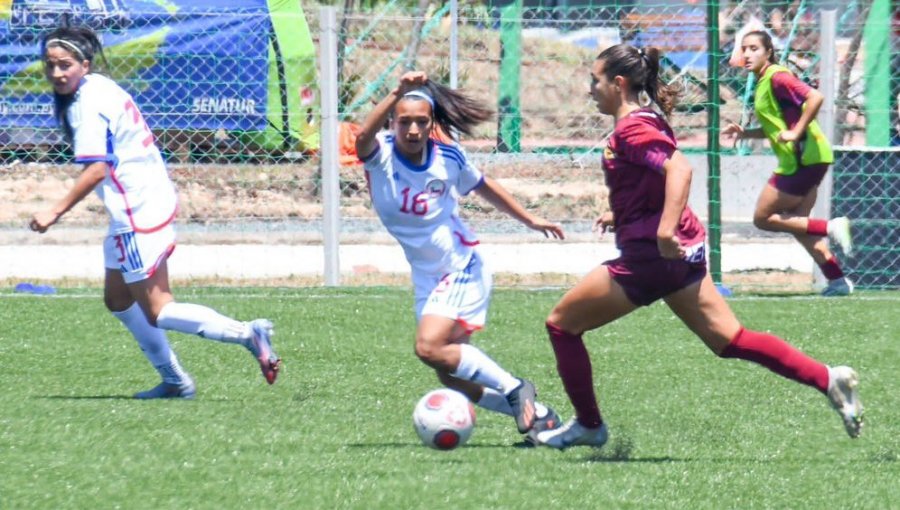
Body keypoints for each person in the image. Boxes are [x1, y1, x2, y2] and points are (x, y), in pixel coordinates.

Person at [533, 44, 863, 449]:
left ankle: (588, 424)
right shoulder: (647, 117)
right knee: (732, 340)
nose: (590, 89)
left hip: (653, 258)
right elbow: (653, 179)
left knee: (562, 324)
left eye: (594, 81)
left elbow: (679, 169)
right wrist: (627, 215)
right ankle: (829, 378)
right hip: (680, 255)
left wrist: (663, 230)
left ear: (618, 84)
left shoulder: (632, 127)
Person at [30, 25, 281, 399]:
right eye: (50, 66)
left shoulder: (87, 105)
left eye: (65, 65)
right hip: (146, 200)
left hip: (136, 212)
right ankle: (176, 381)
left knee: (159, 310)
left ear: (84, 64)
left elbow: (97, 169)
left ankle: (246, 333)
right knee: (117, 299)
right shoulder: (98, 85)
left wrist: (54, 211)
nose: (57, 74)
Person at [355, 71, 564, 439]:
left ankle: (516, 389)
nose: (414, 130)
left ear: (432, 123)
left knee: (429, 346)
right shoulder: (380, 156)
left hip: (461, 266)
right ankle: (540, 417)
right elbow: (361, 137)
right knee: (447, 371)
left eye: (422, 122)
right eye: (405, 122)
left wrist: (529, 219)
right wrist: (396, 92)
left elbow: (485, 187)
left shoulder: (448, 157)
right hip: (427, 276)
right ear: (392, 122)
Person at [723, 30, 854, 297]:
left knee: (763, 218)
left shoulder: (778, 76)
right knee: (798, 224)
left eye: (754, 49)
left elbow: (815, 98)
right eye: (744, 49)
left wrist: (796, 133)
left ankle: (830, 227)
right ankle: (838, 282)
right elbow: (776, 127)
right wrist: (745, 133)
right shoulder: (762, 81)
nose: (747, 54)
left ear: (768, 52)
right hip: (811, 158)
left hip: (802, 158)